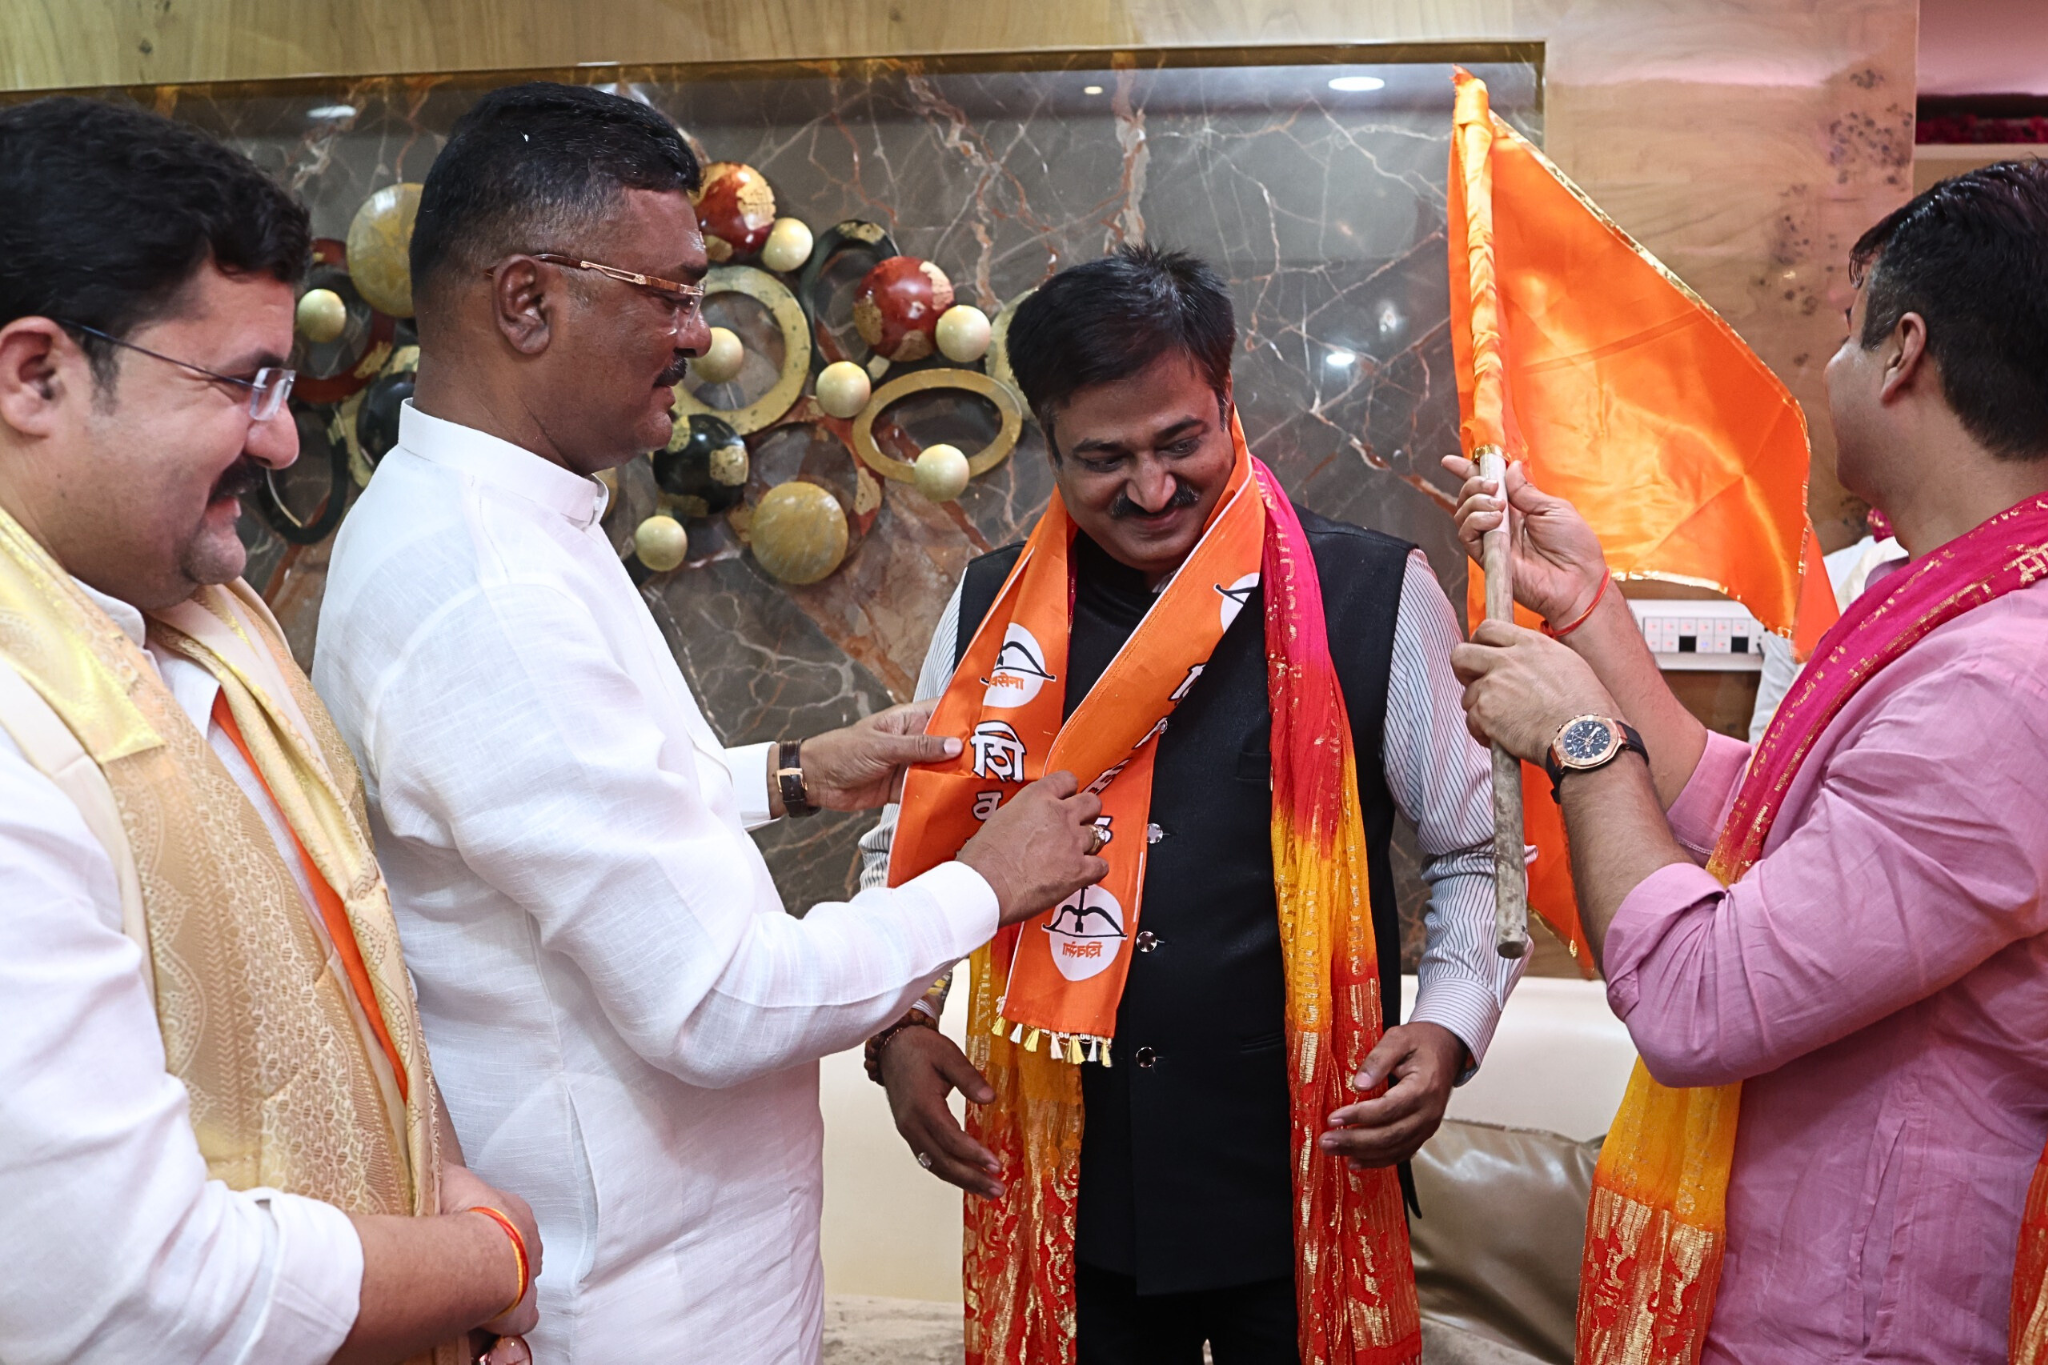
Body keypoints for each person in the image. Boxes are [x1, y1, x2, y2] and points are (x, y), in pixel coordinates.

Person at [312, 82, 1106, 1365]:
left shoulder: (506, 517)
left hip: (683, 1262)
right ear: (527, 300)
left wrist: (789, 773)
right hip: (636, 1296)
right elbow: (720, 999)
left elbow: (550, 804)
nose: (702, 337)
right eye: (671, 294)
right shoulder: (488, 588)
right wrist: (981, 886)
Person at [860, 245, 1521, 1364]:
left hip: (1307, 1170)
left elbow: (1475, 851)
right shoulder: (989, 616)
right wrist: (897, 1025)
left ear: (1227, 402)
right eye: (1104, 460)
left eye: (1182, 443)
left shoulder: (1372, 590)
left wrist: (1449, 1027)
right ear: (1049, 450)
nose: (1154, 489)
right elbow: (911, 844)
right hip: (1067, 1188)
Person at [1447, 159, 2048, 1363]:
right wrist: (1596, 620)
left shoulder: (1999, 685)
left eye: (1840, 333)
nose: (1823, 369)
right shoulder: (1970, 613)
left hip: (1860, 1321)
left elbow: (1698, 1001)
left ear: (1903, 354)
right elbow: (1766, 831)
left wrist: (1582, 746)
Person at [0, 98, 542, 1365]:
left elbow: (349, 966)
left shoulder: (206, 621)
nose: (284, 435)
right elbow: (122, 1297)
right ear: (37, 375)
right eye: (240, 383)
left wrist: (440, 1190)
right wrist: (487, 1259)